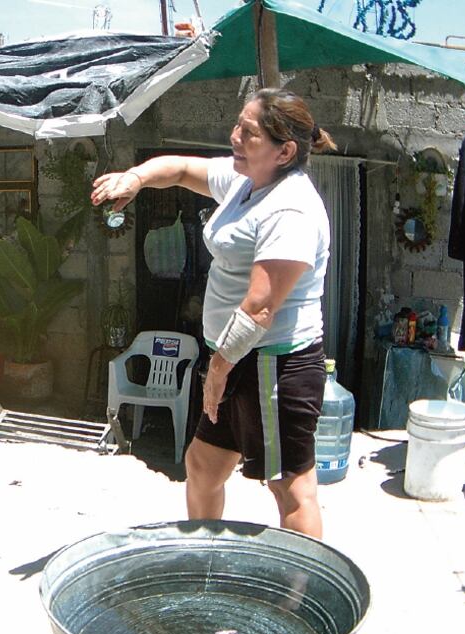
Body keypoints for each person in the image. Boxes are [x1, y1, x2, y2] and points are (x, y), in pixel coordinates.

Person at [90, 88, 337, 538]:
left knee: (289, 486)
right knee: (202, 465)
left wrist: (220, 368)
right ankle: (206, 559)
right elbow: (182, 168)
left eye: (249, 132)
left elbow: (260, 308)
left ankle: (302, 596)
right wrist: (137, 178)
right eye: (238, 125)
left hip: (272, 363)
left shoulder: (292, 208)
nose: (235, 136)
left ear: (285, 151)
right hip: (234, 356)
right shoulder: (247, 180)